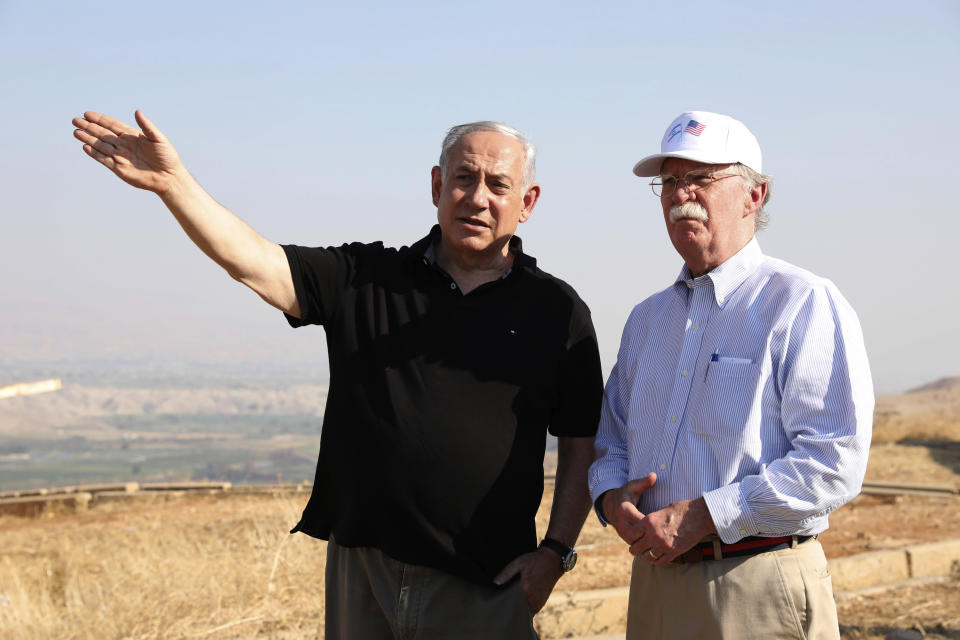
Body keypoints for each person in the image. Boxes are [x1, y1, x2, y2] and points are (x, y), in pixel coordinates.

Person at [72, 111, 602, 639]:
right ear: (438, 185)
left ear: (526, 203)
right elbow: (253, 262)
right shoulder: (367, 279)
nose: (478, 197)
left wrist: (555, 553)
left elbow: (582, 444)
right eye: (463, 178)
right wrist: (174, 184)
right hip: (362, 574)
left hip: (486, 583)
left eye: (498, 184)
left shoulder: (557, 312)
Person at [588, 110, 874, 640]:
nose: (679, 195)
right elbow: (611, 444)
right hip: (654, 586)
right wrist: (613, 501)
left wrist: (707, 514)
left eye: (700, 178)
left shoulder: (801, 302)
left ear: (754, 196)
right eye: (669, 181)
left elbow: (835, 459)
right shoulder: (646, 321)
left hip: (758, 584)